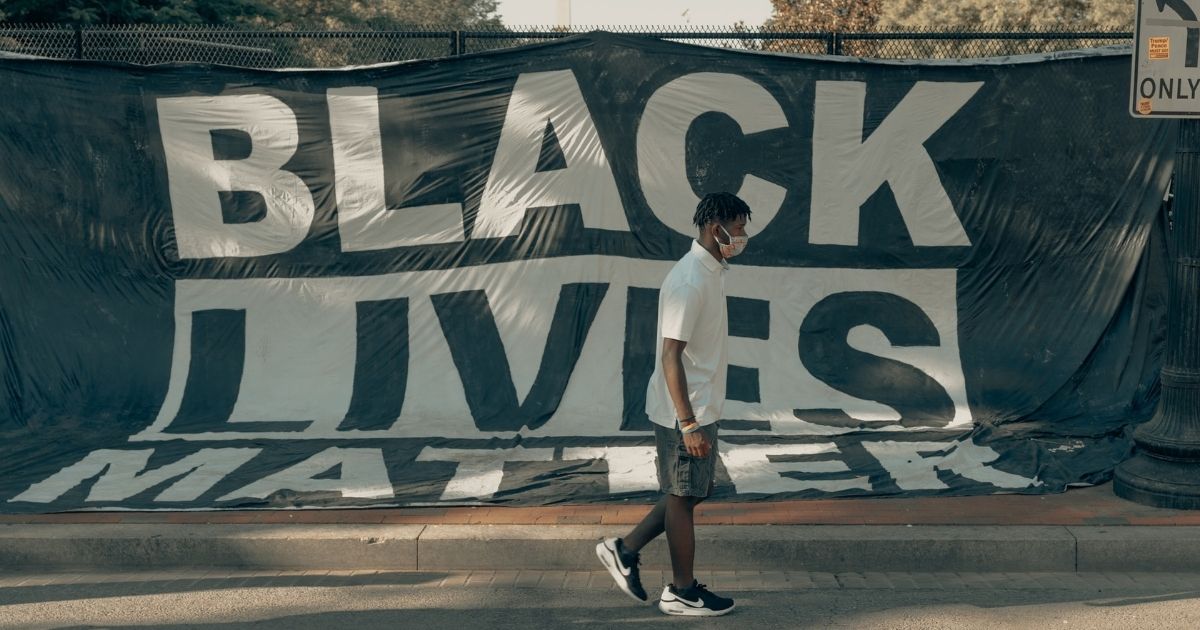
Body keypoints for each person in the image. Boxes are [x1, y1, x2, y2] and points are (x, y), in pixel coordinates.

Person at [596, 191, 749, 617]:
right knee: (683, 495)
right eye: (737, 228)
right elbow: (669, 356)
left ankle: (623, 550)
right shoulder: (688, 280)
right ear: (713, 225)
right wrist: (688, 423)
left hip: (701, 405)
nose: (742, 236)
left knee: (694, 489)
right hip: (686, 410)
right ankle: (682, 591)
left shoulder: (711, 270)